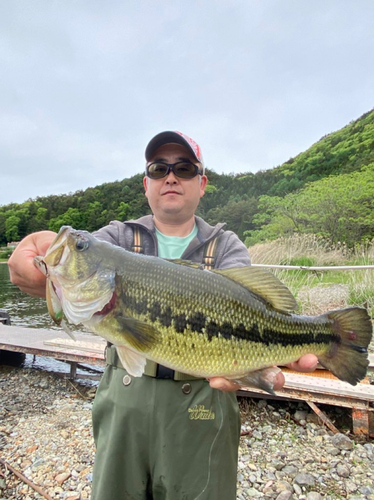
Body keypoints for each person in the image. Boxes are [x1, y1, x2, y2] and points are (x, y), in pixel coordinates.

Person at [8, 131, 318, 500]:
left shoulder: (227, 245)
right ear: (146, 184)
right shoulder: (117, 238)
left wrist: (249, 366)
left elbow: (251, 304)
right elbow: (38, 256)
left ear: (201, 184)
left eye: (184, 168)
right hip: (124, 402)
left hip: (202, 402)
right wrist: (32, 254)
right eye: (159, 169)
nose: (170, 177)